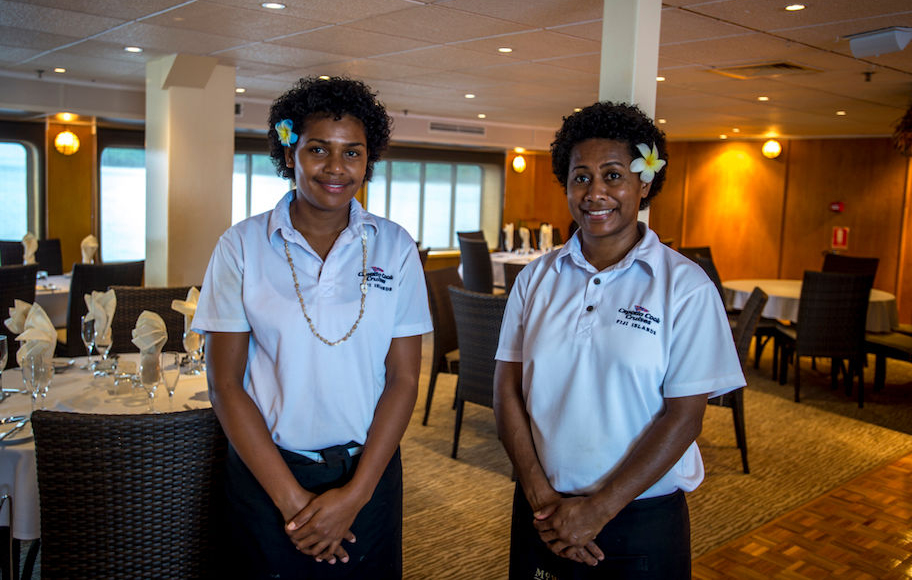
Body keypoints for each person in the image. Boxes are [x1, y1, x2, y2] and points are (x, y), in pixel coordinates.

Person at [493, 101, 745, 579]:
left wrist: (599, 509)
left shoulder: (684, 286)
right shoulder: (536, 278)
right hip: (541, 505)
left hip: (640, 515)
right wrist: (541, 496)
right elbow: (506, 391)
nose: (595, 193)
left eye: (613, 175)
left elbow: (685, 416)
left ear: (643, 183)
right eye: (581, 177)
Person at [194, 76, 432, 579]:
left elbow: (404, 380)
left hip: (369, 473)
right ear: (290, 153)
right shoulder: (242, 246)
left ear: (370, 160)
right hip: (268, 476)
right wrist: (293, 503)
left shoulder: (395, 247)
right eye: (319, 149)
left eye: (353, 153)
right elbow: (225, 385)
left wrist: (356, 495)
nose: (336, 168)